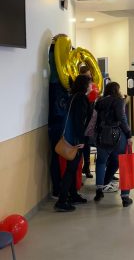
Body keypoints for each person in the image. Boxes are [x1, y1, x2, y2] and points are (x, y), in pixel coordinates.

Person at [54, 75, 92, 212]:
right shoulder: (81, 98)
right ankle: (62, 201)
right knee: (71, 170)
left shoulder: (74, 96)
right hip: (75, 140)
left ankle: (73, 195)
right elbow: (78, 121)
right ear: (85, 85)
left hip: (70, 138)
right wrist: (81, 140)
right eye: (90, 83)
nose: (92, 85)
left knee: (72, 168)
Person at [94, 82, 133, 207]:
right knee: (123, 163)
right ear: (117, 90)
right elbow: (122, 119)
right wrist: (128, 134)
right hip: (117, 136)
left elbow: (95, 119)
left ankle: (99, 191)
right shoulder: (118, 101)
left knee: (100, 163)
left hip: (101, 136)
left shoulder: (99, 101)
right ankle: (125, 197)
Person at [48, 37, 70, 198]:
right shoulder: (57, 84)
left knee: (62, 158)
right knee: (57, 157)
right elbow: (54, 65)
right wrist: (54, 46)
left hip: (60, 124)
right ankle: (58, 189)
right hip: (57, 125)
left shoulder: (62, 83)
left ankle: (63, 187)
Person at [79, 65, 98, 178]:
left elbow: (94, 99)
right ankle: (81, 168)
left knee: (87, 144)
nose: (89, 77)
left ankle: (87, 167)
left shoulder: (93, 85)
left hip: (91, 117)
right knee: (81, 145)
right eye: (86, 75)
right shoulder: (79, 88)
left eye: (89, 74)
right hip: (82, 117)